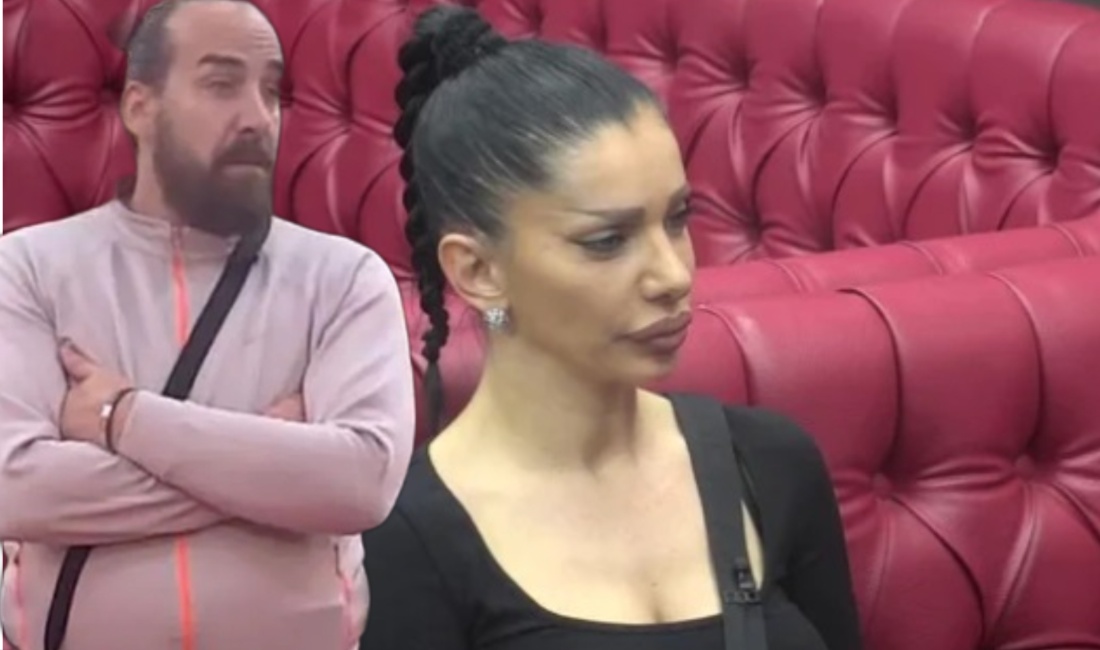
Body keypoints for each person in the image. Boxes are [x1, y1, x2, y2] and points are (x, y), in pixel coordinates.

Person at [358, 6, 862, 650]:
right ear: (479, 270)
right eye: (607, 241)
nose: (672, 275)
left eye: (677, 220)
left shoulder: (770, 463)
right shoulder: (404, 537)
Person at [0, 1, 415, 649]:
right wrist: (277, 472)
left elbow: (361, 483)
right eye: (222, 84)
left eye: (270, 91)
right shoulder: (27, 270)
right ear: (140, 106)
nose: (258, 117)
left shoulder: (344, 279)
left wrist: (122, 418)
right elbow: (14, 489)